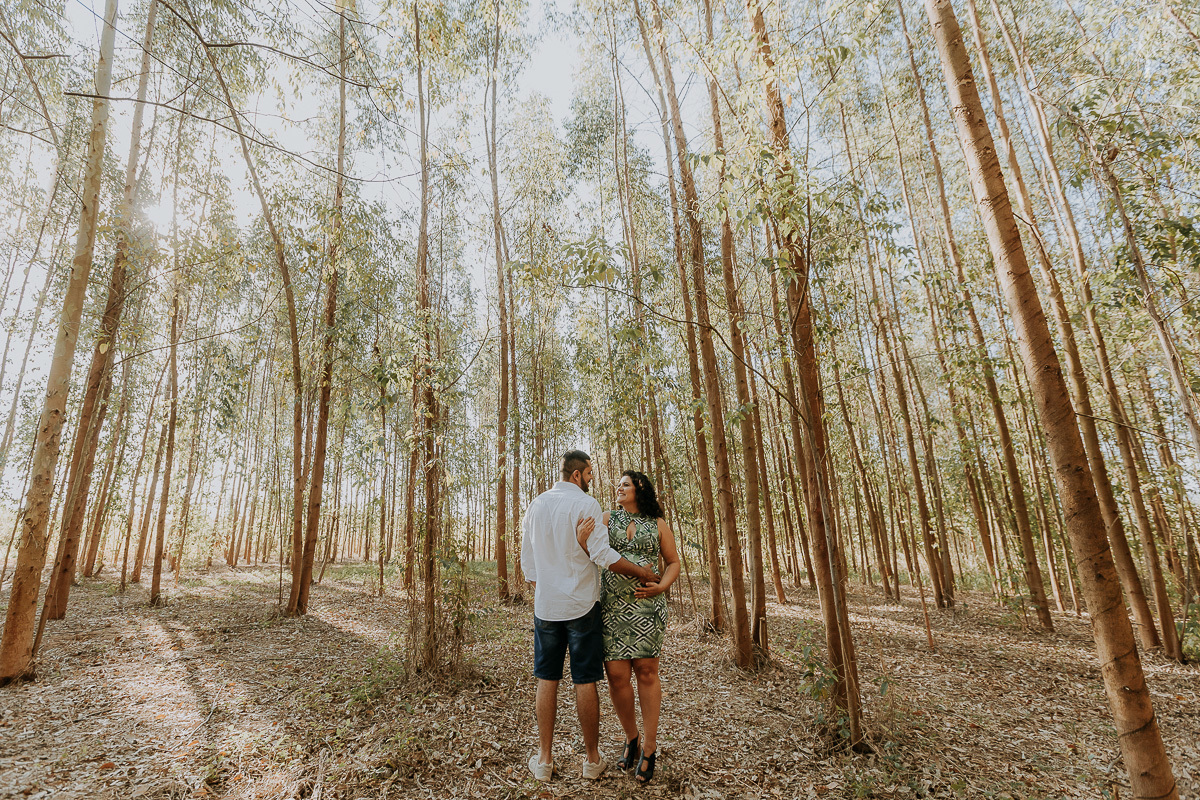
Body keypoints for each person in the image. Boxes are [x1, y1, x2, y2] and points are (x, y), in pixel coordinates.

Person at [520, 450, 659, 783]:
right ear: (577, 475)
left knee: (546, 678)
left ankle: (544, 760)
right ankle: (592, 761)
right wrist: (641, 570)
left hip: (547, 607)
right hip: (582, 606)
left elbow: (529, 566)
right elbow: (602, 555)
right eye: (590, 474)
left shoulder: (536, 505)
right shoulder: (586, 505)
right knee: (585, 679)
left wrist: (549, 588)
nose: (593, 479)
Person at [577, 470, 680, 784]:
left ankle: (649, 749)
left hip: (648, 608)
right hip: (612, 608)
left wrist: (661, 587)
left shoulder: (658, 524)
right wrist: (582, 542)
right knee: (618, 676)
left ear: (640, 488)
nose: (619, 488)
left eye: (625, 484)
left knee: (647, 671)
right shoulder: (607, 518)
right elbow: (592, 554)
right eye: (618, 485)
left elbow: (673, 562)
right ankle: (631, 736)